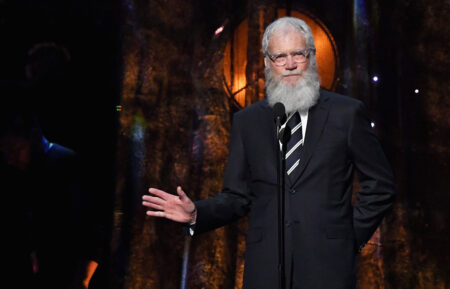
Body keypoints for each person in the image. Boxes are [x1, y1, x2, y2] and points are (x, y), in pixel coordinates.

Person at [142, 17, 396, 289]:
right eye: (280, 56)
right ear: (267, 62)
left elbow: (380, 186)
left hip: (329, 269)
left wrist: (347, 239)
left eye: (298, 53)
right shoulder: (248, 121)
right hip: (265, 270)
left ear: (311, 56)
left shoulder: (346, 113)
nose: (290, 65)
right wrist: (196, 215)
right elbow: (237, 197)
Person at [0, 83, 103, 289]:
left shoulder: (66, 163)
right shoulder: (30, 174)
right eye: (6, 154)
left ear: (33, 137)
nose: (10, 160)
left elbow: (90, 229)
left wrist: (83, 279)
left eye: (15, 150)